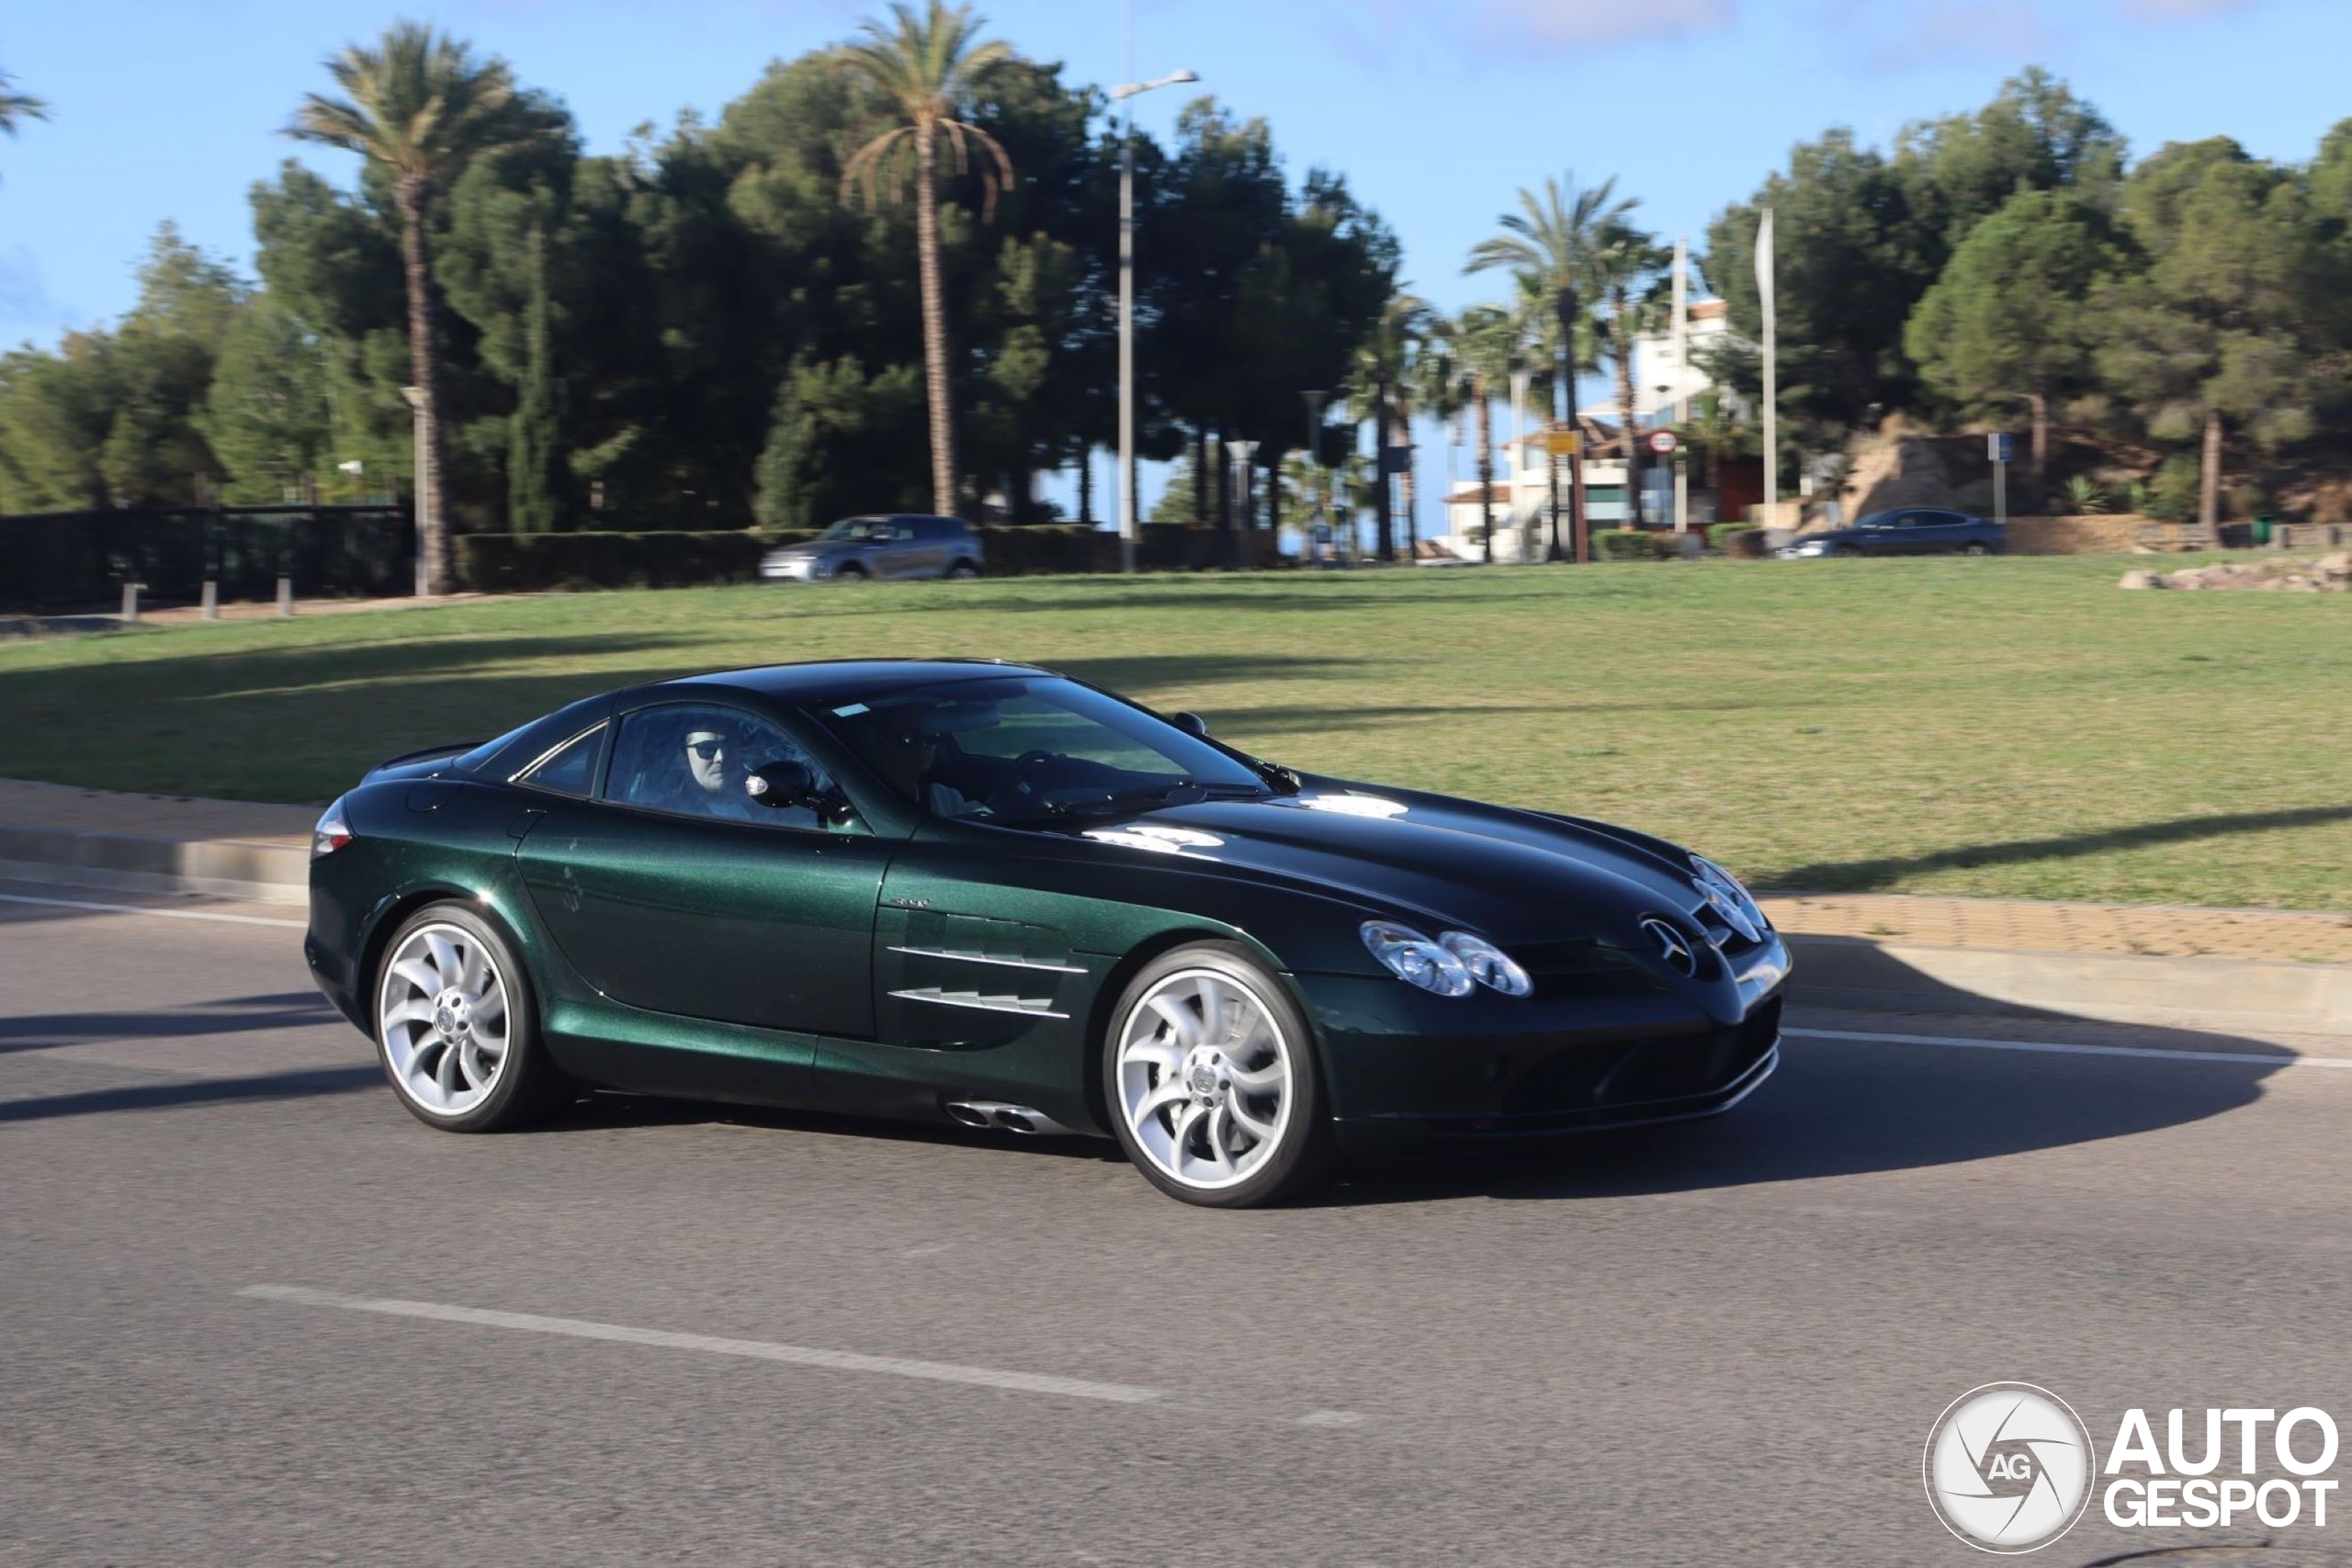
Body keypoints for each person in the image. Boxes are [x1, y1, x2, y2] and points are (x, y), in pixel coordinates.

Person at [865, 704, 982, 818]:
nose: (924, 745)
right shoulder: (863, 800)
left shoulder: (944, 797)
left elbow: (980, 819)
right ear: (882, 742)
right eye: (909, 738)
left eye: (932, 737)